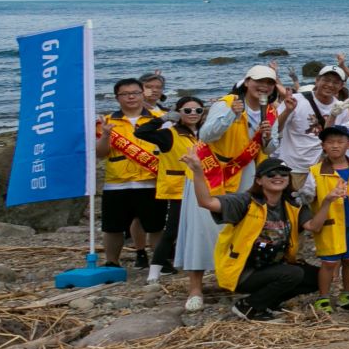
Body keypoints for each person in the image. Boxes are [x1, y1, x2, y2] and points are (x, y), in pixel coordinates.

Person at [182, 153, 314, 320]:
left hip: (273, 264)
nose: (278, 177)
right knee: (293, 274)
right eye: (271, 174)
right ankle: (248, 306)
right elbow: (206, 202)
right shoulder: (245, 201)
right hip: (244, 271)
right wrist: (198, 172)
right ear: (259, 180)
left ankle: (267, 302)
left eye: (283, 174)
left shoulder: (294, 204)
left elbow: (313, 226)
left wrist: (328, 201)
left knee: (316, 277)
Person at [299, 123, 349, 309]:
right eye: (330, 142)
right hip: (329, 224)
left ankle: (347, 293)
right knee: (328, 262)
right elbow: (307, 195)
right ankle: (324, 297)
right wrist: (305, 195)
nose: (335, 146)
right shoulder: (316, 171)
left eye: (340, 141)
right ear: (323, 146)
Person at [97, 76, 166, 271]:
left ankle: (160, 262)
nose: (130, 97)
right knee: (113, 227)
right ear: (117, 98)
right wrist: (105, 136)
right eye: (125, 94)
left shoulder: (157, 119)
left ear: (142, 94)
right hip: (117, 182)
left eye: (135, 93)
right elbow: (99, 153)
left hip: (151, 180)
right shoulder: (106, 121)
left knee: (156, 226)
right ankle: (112, 262)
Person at [140, 94, 204, 292]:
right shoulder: (169, 134)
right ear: (179, 112)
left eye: (198, 110)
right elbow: (141, 133)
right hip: (179, 187)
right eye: (187, 110)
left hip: (204, 187)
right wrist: (163, 118)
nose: (193, 114)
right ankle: (154, 272)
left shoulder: (207, 133)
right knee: (172, 230)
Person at [199, 65, 291, 194]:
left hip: (247, 168)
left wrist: (268, 136)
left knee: (242, 209)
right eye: (259, 81)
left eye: (270, 83)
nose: (264, 86)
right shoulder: (227, 103)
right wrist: (230, 115)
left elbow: (270, 149)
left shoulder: (270, 112)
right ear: (247, 82)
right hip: (216, 168)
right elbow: (205, 136)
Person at [279, 64, 349, 173]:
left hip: (323, 169)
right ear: (317, 80)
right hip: (293, 168)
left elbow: (338, 139)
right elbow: (276, 129)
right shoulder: (295, 101)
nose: (330, 85)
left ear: (341, 86)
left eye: (335, 82)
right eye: (326, 80)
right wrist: (287, 111)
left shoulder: (341, 108)